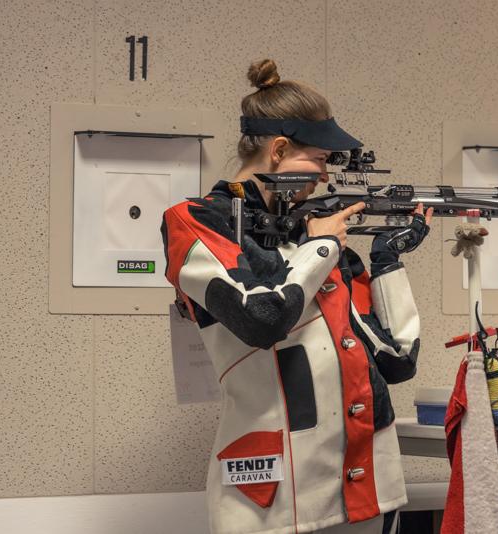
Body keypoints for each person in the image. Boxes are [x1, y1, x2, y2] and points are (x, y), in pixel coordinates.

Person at [161, 59, 431, 534]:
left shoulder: (313, 235)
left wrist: (387, 261)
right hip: (270, 498)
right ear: (280, 150)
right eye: (321, 159)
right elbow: (262, 317)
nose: (326, 177)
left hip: (365, 490)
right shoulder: (196, 222)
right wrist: (321, 246)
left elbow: (397, 360)